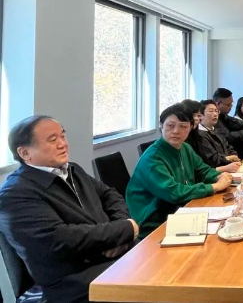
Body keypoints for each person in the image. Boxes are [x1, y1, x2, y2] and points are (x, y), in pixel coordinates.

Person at [0, 116, 139, 303]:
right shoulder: (15, 193)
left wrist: (120, 231)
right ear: (25, 153)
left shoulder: (72, 170)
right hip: (73, 282)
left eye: (63, 136)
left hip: (110, 257)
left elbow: (110, 195)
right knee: (157, 285)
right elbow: (59, 240)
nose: (63, 144)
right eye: (52, 140)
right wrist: (125, 230)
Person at [126, 103, 232, 239]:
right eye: (170, 125)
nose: (176, 131)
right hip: (154, 224)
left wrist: (219, 177)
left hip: (180, 210)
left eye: (183, 126)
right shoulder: (152, 158)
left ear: (191, 127)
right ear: (161, 126)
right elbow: (173, 192)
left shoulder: (185, 148)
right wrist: (214, 187)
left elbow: (203, 170)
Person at [182, 99, 241, 173]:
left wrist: (234, 156)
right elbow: (209, 161)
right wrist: (227, 160)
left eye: (216, 111)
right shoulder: (198, 136)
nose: (197, 118)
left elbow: (228, 146)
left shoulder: (213, 131)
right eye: (211, 111)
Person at [213, 87, 243, 159]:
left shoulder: (223, 115)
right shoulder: (214, 118)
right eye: (228, 105)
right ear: (218, 104)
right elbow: (227, 136)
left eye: (232, 104)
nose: (231, 107)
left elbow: (233, 121)